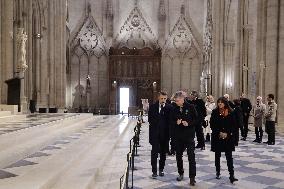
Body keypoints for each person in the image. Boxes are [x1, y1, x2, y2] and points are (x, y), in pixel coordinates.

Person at [171, 91, 198, 186]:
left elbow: (197, 120)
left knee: (191, 157)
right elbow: (172, 120)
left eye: (177, 100)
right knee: (178, 156)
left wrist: (189, 123)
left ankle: (192, 178)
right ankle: (181, 173)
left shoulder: (191, 107)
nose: (176, 102)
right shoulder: (174, 108)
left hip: (189, 136)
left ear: (182, 99)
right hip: (178, 137)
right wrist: (176, 122)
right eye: (175, 101)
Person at [210, 97, 238, 184]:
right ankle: (218, 172)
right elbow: (212, 124)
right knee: (217, 156)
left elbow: (234, 125)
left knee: (229, 156)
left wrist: (227, 133)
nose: (220, 104)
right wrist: (219, 132)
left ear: (225, 103)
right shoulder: (215, 112)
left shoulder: (231, 112)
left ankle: (231, 175)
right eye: (219, 102)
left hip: (228, 138)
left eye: (221, 102)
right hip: (217, 137)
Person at [148, 91, 172, 178]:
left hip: (165, 135)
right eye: (162, 98)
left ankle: (161, 169)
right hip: (155, 133)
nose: (163, 100)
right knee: (154, 153)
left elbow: (170, 121)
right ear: (158, 98)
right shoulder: (152, 107)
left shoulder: (169, 108)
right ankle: (154, 171)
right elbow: (150, 120)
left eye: (165, 98)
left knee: (163, 154)